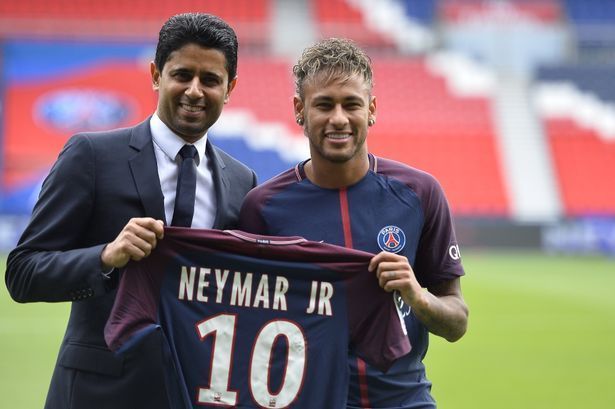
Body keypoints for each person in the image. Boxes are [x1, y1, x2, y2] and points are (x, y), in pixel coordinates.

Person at [5, 12, 256, 409]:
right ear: (156, 74)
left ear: (230, 88)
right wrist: (106, 257)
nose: (194, 90)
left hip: (193, 394)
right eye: (181, 75)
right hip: (96, 396)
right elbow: (22, 273)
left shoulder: (242, 182)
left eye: (210, 80)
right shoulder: (91, 155)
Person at [238, 38, 469, 408]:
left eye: (352, 104)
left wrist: (417, 295)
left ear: (372, 109)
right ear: (300, 110)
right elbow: (243, 325)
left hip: (403, 400)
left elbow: (457, 322)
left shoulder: (420, 193)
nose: (339, 118)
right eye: (324, 104)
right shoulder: (263, 207)